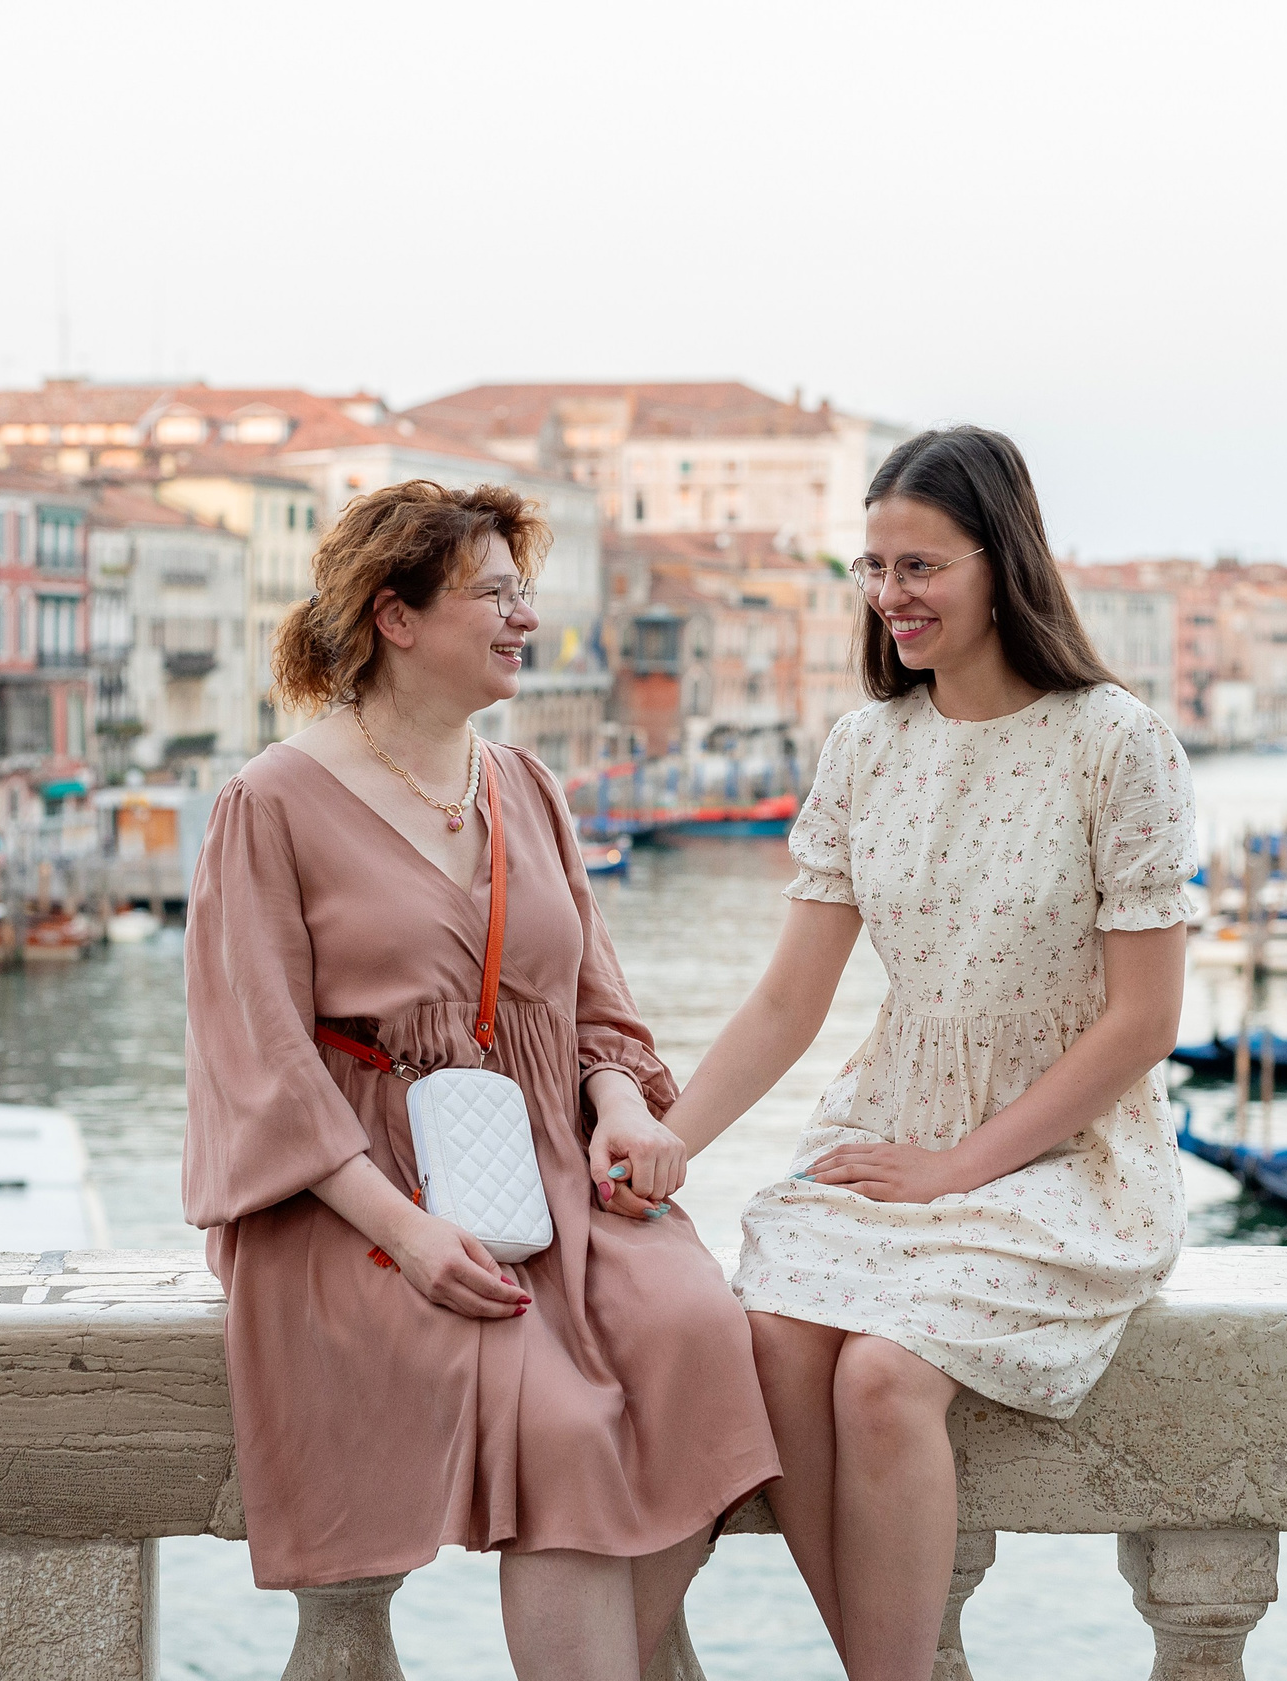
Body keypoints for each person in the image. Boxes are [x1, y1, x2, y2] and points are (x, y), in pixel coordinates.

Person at [183, 480, 777, 1681]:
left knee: (709, 1338)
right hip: (354, 1207)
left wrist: (617, 1102)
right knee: (562, 1430)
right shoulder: (271, 803)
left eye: (524, 593)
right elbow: (258, 1058)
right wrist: (406, 1231)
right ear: (395, 618)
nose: (524, 620)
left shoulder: (527, 788)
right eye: (493, 595)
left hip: (553, 1174)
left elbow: (598, 1008)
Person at [658, 427, 1196, 1679]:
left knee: (885, 1382)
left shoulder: (1116, 742)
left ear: (1000, 563)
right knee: (777, 1339)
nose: (889, 595)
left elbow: (1142, 1022)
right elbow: (790, 1002)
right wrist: (667, 1146)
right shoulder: (865, 749)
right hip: (890, 1124)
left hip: (1065, 1153)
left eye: (919, 566)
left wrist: (960, 1167)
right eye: (872, 567)